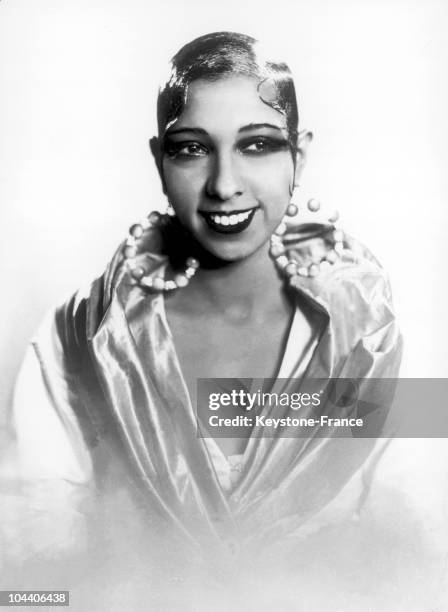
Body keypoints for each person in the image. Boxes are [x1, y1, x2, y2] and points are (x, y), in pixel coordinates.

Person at [4, 31, 446, 612]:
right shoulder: (73, 339)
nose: (224, 184)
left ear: (300, 156)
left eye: (258, 145)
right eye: (192, 148)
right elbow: (36, 582)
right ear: (158, 160)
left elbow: (420, 564)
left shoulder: (391, 343)